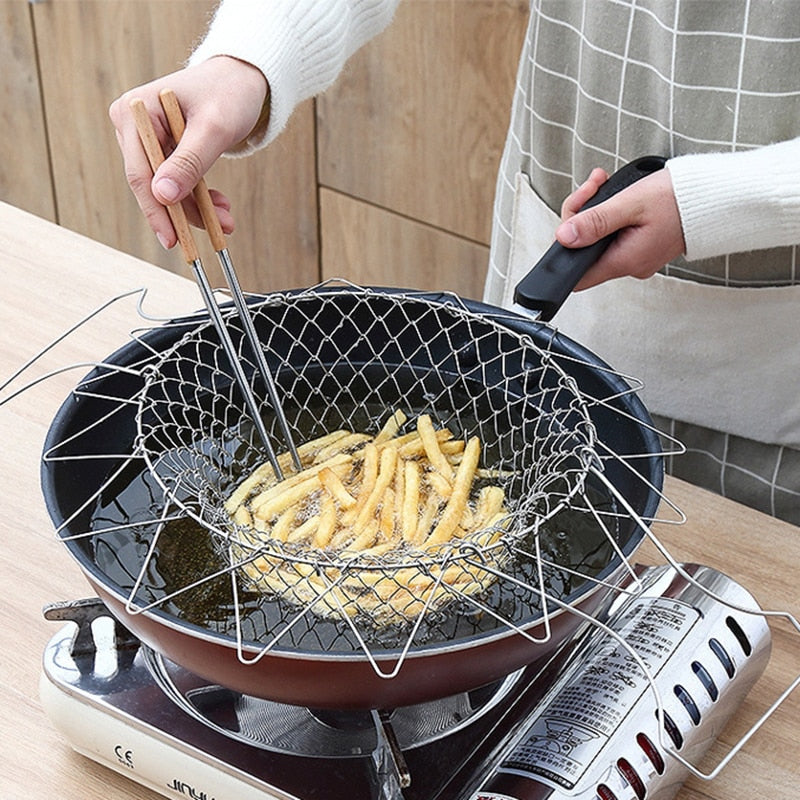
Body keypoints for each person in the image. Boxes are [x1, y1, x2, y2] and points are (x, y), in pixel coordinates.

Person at [109, 0, 800, 524]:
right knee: (524, 504)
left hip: (771, 393)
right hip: (564, 213)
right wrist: (252, 57)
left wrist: (715, 202)